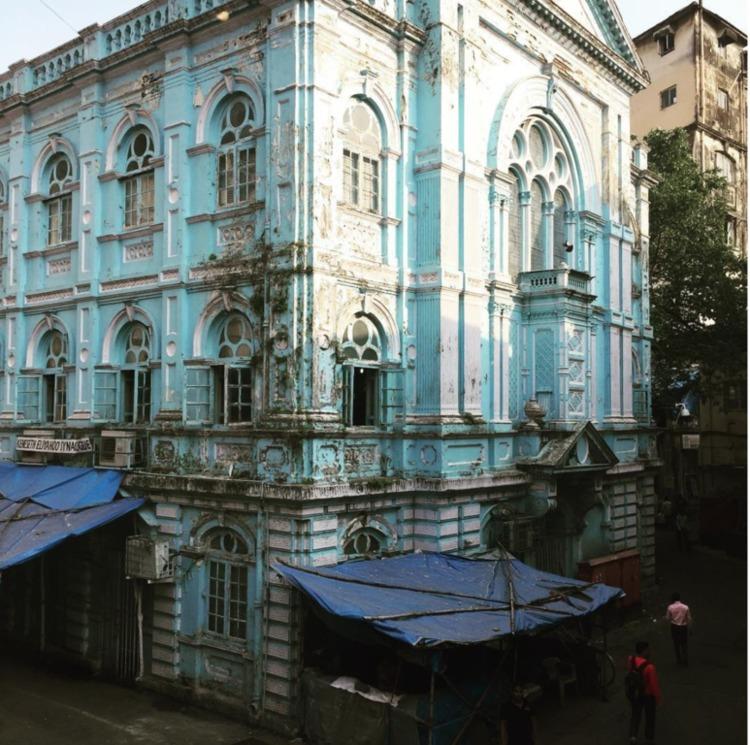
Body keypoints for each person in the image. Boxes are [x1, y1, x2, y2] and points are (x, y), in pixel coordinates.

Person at [627, 641, 661, 745]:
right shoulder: (650, 667)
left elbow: (629, 672)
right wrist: (658, 699)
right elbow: (654, 685)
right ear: (644, 651)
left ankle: (633, 736)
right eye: (648, 650)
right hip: (647, 695)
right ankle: (649, 738)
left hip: (635, 693)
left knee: (635, 714)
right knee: (650, 716)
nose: (650, 652)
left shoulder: (631, 660)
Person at [665, 592, 692, 665]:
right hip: (683, 627)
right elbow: (689, 619)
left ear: (672, 599)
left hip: (674, 627)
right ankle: (685, 660)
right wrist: (690, 628)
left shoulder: (670, 607)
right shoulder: (685, 607)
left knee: (676, 644)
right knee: (684, 644)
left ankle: (678, 660)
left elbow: (667, 618)